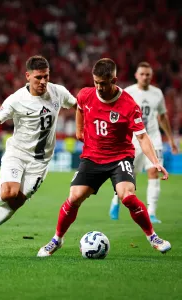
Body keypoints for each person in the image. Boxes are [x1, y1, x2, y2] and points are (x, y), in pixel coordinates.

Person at [37, 58, 171, 257]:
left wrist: (155, 162)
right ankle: (57, 239)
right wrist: (80, 130)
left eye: (103, 83)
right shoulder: (85, 94)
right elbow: (80, 109)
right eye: (96, 82)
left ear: (114, 80)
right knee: (74, 197)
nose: (99, 87)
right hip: (92, 156)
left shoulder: (128, 104)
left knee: (127, 196)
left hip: (120, 157)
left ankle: (153, 237)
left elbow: (142, 136)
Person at [0, 55, 77, 250]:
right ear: (27, 76)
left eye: (46, 77)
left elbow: (79, 106)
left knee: (16, 202)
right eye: (38, 77)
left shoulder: (58, 92)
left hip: (40, 162)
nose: (43, 82)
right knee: (9, 192)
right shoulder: (17, 99)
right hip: (18, 153)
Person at [109, 62, 178, 223]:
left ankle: (151, 212)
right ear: (136, 75)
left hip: (153, 138)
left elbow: (162, 116)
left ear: (151, 76)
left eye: (148, 74)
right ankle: (115, 201)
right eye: (142, 74)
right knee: (128, 175)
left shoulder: (157, 93)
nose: (145, 77)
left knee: (154, 171)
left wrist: (171, 140)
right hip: (132, 139)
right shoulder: (128, 92)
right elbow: (118, 115)